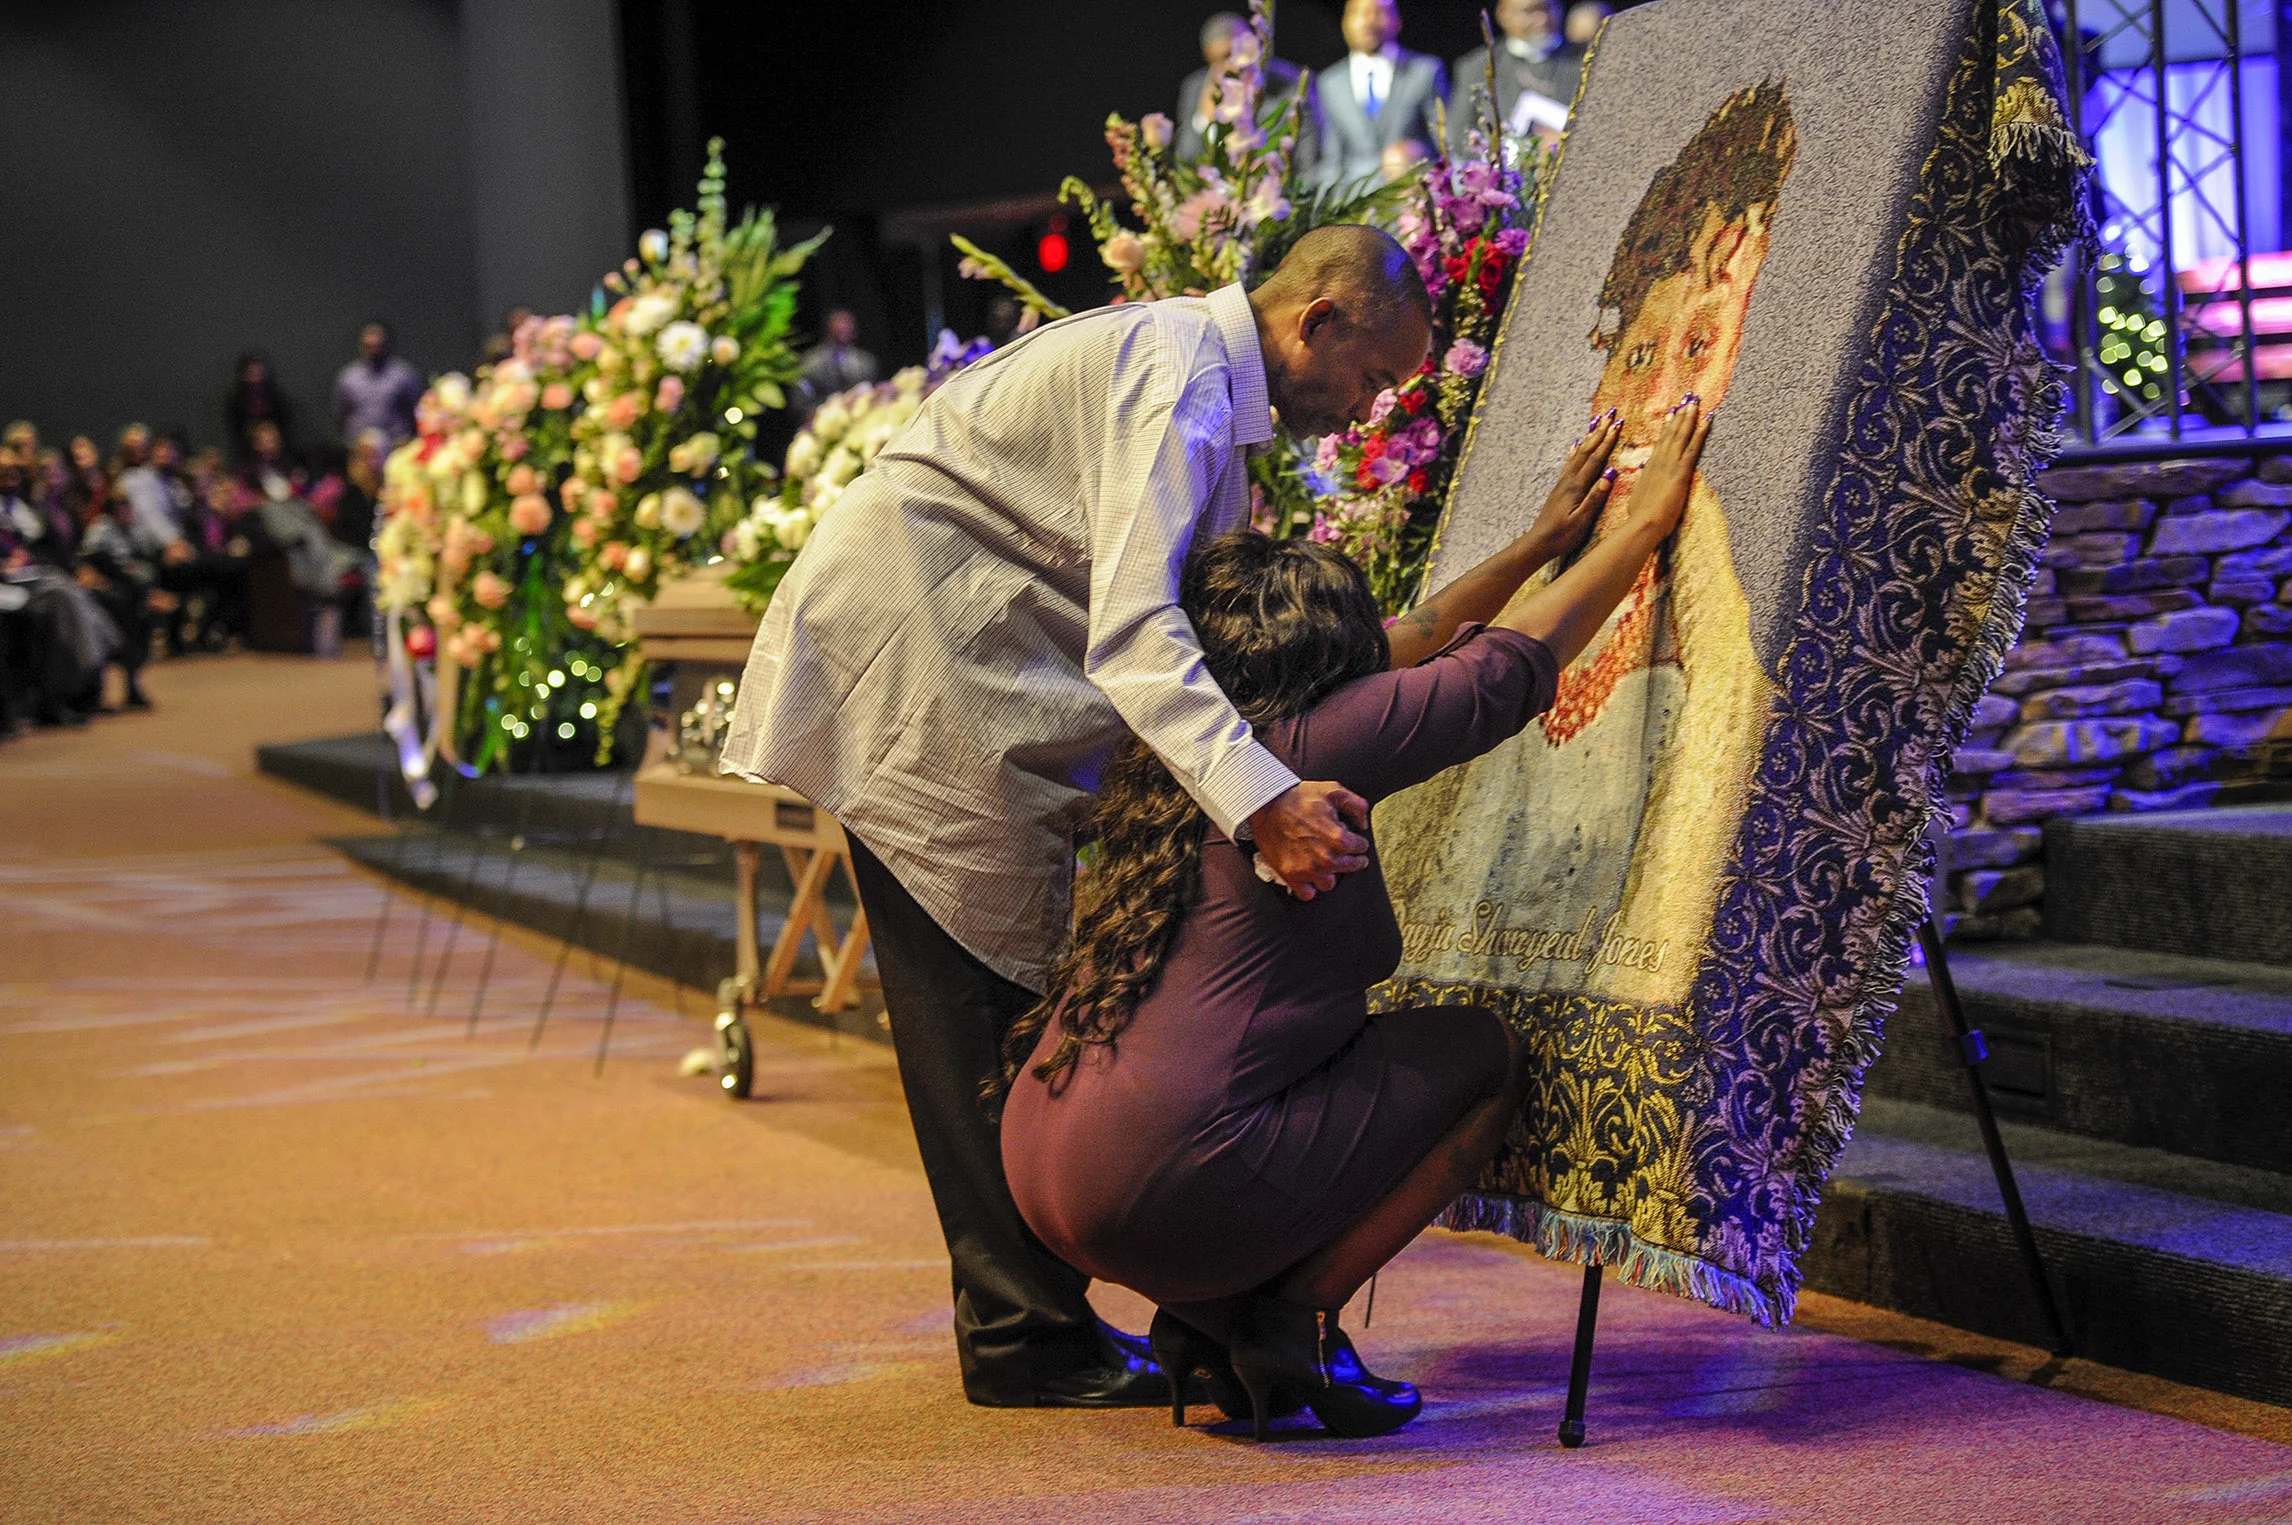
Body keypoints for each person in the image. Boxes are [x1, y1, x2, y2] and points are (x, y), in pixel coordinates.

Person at [720, 224, 1433, 1409]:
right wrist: (1263, 803)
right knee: (977, 1015)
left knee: (1014, 1005)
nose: (1367, 410)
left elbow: (1186, 633)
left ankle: (1045, 1320)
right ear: (1318, 320)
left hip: (957, 666)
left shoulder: (1197, 382)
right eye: (1372, 377)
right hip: (920, 667)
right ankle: (1023, 1339)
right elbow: (1141, 637)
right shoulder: (1180, 373)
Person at [999, 400, 1711, 1441]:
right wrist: (1640, 532)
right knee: (1482, 1052)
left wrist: (1547, 540)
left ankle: (1207, 1317)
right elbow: (1494, 673)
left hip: (1044, 1160)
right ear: (1327, 663)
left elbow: (1413, 642)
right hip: (1155, 1180)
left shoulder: (1195, 741)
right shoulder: (1314, 740)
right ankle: (1287, 1320)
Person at [1313, 0, 1447, 192]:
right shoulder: (1330, 82)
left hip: (1411, 197)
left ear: (1397, 21)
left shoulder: (1424, 72)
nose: (1368, 22)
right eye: (1359, 13)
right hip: (1356, 203)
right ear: (1345, 22)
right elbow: (1332, 158)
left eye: (1378, 12)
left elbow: (1443, 144)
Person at [1173, 11, 1316, 168]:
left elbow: (1310, 157)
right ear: (1208, 56)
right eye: (1219, 59)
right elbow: (1186, 161)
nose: (1230, 66)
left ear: (1252, 44)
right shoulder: (1194, 88)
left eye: (1234, 54)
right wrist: (1203, 119)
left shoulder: (1290, 83)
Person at [1447, 0, 1581, 159]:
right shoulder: (1478, 67)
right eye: (1529, 11)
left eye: (1547, 9)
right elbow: (1458, 137)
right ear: (1503, 14)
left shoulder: (1586, 58)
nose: (1542, 19)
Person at [332, 321, 423, 453]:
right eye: (369, 346)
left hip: (396, 447)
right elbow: (340, 413)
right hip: (360, 448)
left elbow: (414, 411)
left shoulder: (403, 375)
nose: (374, 350)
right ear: (362, 346)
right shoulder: (348, 376)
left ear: (386, 345)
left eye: (378, 346)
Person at [797, 310, 878, 408]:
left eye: (846, 324)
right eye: (839, 324)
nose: (843, 327)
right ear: (828, 329)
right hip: (824, 416)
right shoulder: (810, 362)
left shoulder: (865, 361)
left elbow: (872, 392)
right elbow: (801, 401)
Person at [225, 351, 296, 462]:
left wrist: (270, 435)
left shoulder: (275, 397)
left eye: (259, 372)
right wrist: (254, 433)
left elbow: (284, 423)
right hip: (247, 449)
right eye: (251, 372)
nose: (256, 376)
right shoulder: (237, 401)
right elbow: (236, 427)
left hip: (277, 451)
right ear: (244, 375)